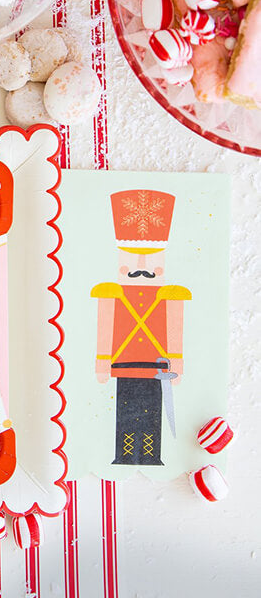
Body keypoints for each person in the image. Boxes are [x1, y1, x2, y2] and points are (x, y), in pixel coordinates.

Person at [91, 189, 190, 466]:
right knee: (126, 411)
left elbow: (175, 330)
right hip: (123, 363)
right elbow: (104, 328)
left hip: (158, 366)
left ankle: (150, 455)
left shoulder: (171, 295)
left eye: (151, 260)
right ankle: (124, 454)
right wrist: (101, 363)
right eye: (134, 259)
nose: (142, 267)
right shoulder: (110, 293)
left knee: (151, 414)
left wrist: (177, 364)